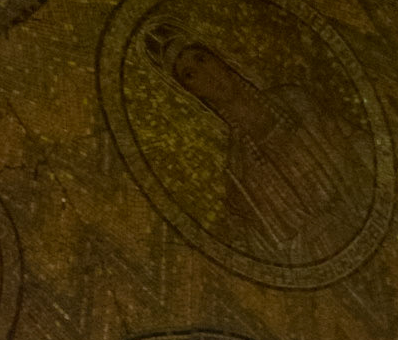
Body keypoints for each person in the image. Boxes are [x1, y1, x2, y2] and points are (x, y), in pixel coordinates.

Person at [142, 18, 368, 267]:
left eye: (201, 59)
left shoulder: (296, 102)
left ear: (218, 59)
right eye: (190, 75)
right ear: (191, 92)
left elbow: (359, 145)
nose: (206, 75)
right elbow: (269, 248)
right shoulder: (239, 172)